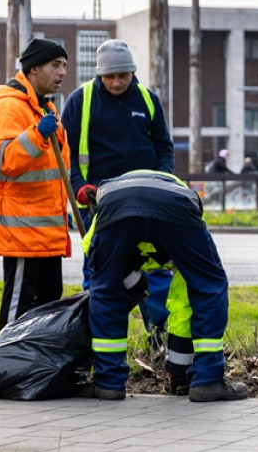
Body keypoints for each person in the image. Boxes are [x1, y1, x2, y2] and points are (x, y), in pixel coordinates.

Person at [82, 169, 249, 402]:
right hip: (175, 208)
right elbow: (188, 298)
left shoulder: (106, 205)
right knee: (209, 285)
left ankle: (108, 383)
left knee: (106, 291)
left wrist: (129, 284)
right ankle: (208, 381)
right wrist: (180, 372)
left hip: (116, 206)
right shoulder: (182, 199)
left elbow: (94, 261)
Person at [61, 38, 176, 354]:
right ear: (99, 75)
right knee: (102, 278)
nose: (115, 82)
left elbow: (164, 147)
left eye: (122, 76)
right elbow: (66, 154)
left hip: (146, 203)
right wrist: (80, 186)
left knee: (154, 272)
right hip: (100, 205)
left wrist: (164, 179)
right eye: (109, 77)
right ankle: (96, 347)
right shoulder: (80, 101)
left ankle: (159, 340)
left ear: (132, 72)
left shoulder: (148, 101)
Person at [0, 38, 72, 331]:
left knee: (47, 299)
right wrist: (37, 135)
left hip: (45, 231)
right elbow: (3, 159)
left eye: (64, 66)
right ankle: (6, 368)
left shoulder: (43, 108)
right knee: (19, 305)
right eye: (55, 65)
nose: (62, 73)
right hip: (20, 230)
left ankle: (32, 367)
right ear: (33, 69)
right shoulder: (8, 107)